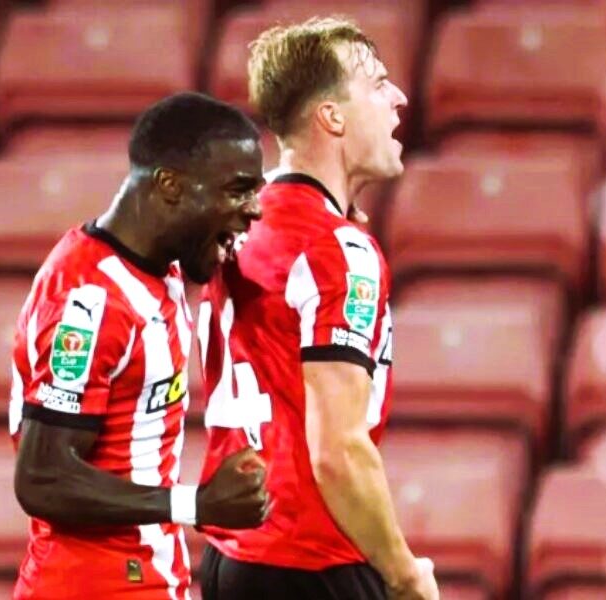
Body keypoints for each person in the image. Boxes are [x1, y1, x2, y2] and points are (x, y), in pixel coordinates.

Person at [196, 18, 440, 600]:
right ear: (331, 117)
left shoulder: (237, 226)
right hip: (311, 564)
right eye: (377, 84)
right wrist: (406, 577)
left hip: (230, 560)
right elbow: (337, 450)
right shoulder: (338, 247)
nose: (398, 98)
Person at [9, 92, 269, 599]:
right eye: (238, 190)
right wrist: (196, 504)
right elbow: (41, 478)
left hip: (146, 577)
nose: (253, 210)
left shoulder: (165, 266)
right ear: (170, 185)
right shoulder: (89, 303)